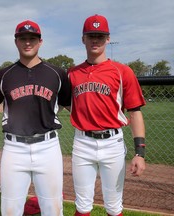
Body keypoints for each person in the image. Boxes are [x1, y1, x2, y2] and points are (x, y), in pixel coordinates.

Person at [67, 14, 146, 216]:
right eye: (91, 35)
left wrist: (140, 152)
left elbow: (135, 112)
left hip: (112, 143)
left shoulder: (122, 71)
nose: (95, 40)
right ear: (83, 38)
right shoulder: (72, 73)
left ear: (108, 39)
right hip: (83, 143)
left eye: (100, 36)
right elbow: (66, 104)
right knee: (82, 205)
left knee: (113, 205)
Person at [0, 20, 71, 216]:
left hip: (48, 147)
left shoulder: (57, 73)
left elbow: (70, 105)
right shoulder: (3, 75)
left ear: (40, 42)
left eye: (32, 39)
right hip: (14, 148)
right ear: (16, 42)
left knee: (53, 208)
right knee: (10, 209)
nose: (28, 42)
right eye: (23, 38)